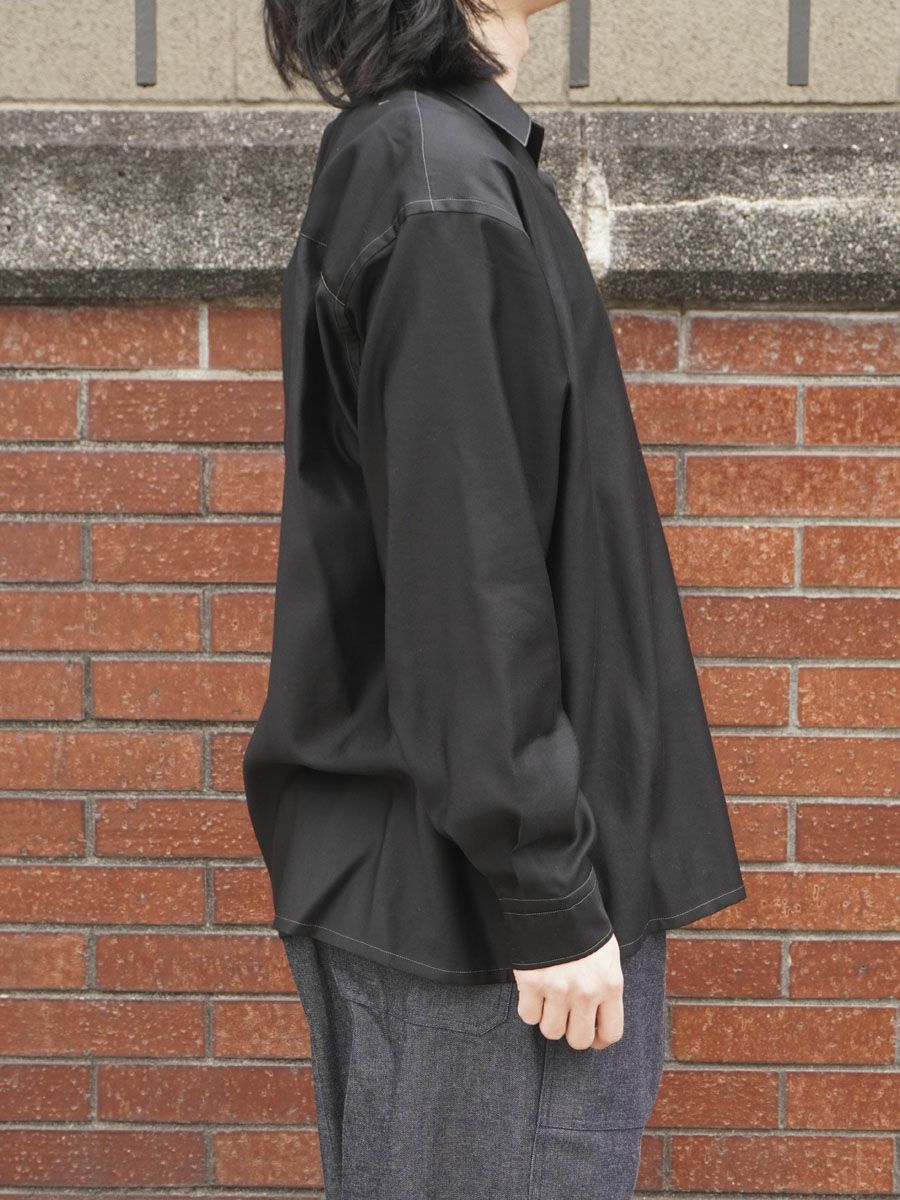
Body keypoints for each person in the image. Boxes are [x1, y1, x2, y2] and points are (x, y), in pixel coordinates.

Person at [242, 1, 747, 1196]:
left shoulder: (441, 161)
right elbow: (466, 579)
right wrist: (547, 896)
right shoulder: (437, 183)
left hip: (491, 903)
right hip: (481, 929)